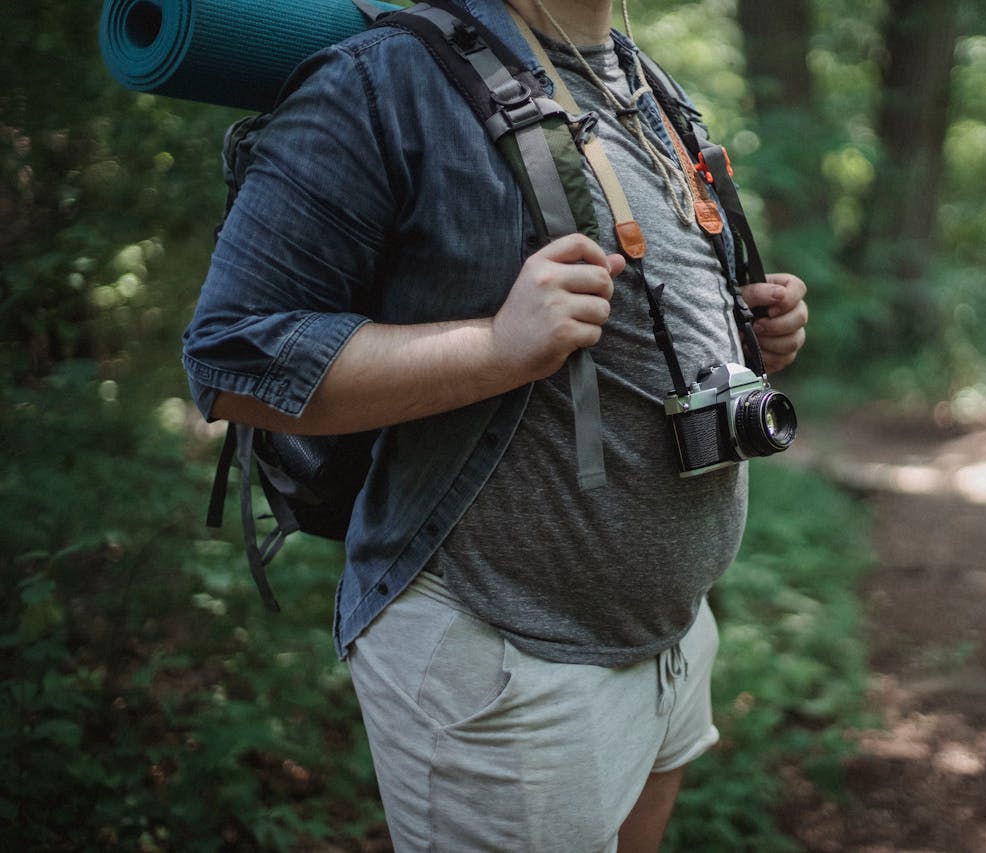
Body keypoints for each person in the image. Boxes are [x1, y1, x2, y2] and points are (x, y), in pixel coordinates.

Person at [182, 0, 808, 848]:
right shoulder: (386, 80)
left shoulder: (641, 82)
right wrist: (496, 346)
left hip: (672, 635)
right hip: (503, 660)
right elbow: (231, 361)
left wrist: (748, 330)